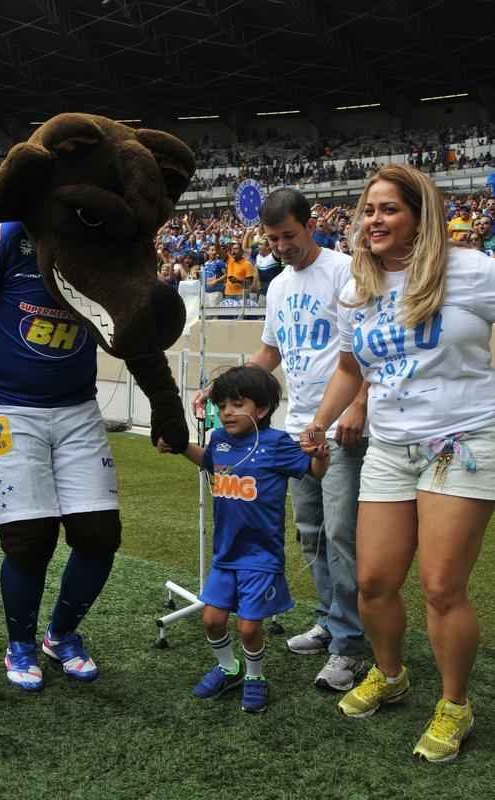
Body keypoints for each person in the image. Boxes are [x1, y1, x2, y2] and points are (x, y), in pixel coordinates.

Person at [302, 164, 495, 763]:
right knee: (374, 581)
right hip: (389, 445)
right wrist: (319, 423)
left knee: (441, 586)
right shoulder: (356, 288)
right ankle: (390, 674)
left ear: (420, 216)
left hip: (461, 440)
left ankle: (454, 705)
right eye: (368, 210)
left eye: (388, 209)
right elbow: (349, 369)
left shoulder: (473, 271)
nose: (373, 220)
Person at [194, 188, 368, 692]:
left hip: (339, 429)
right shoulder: (277, 286)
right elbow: (269, 354)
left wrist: (359, 403)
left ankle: (350, 646)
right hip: (297, 429)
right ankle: (328, 619)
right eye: (271, 239)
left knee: (340, 535)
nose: (281, 247)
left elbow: (366, 349)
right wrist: (220, 385)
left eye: (288, 236)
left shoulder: (344, 270)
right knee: (310, 533)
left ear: (308, 225)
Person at [0, 222, 122, 691]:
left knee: (99, 535)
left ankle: (61, 634)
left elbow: (134, 323)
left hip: (77, 407)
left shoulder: (105, 242)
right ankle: (20, 644)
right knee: (29, 538)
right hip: (8, 408)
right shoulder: (8, 237)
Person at [159, 365, 330, 713]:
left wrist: (322, 458)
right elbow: (208, 462)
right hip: (225, 554)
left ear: (262, 410)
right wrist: (178, 446)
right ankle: (229, 669)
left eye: (237, 404)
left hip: (261, 557)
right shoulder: (219, 441)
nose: (226, 413)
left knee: (249, 627)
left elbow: (310, 470)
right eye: (222, 406)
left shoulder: (277, 443)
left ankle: (255, 676)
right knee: (211, 620)